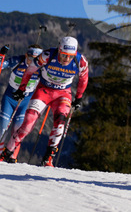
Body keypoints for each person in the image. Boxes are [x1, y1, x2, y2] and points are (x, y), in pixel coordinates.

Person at [0, 37, 89, 167]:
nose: (66, 60)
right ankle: (7, 152)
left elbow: (84, 80)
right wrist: (22, 88)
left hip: (63, 94)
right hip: (44, 91)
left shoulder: (81, 61)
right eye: (64, 55)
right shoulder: (47, 55)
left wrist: (79, 97)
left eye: (70, 56)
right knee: (28, 122)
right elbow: (30, 70)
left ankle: (48, 157)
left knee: (60, 122)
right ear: (59, 51)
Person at [0, 44, 43, 157]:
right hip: (10, 98)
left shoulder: (41, 68)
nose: (32, 62)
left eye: (35, 60)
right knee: (3, 127)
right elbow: (1, 66)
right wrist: (1, 55)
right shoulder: (17, 61)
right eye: (30, 58)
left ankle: (12, 156)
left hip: (25, 102)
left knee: (18, 131)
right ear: (26, 55)